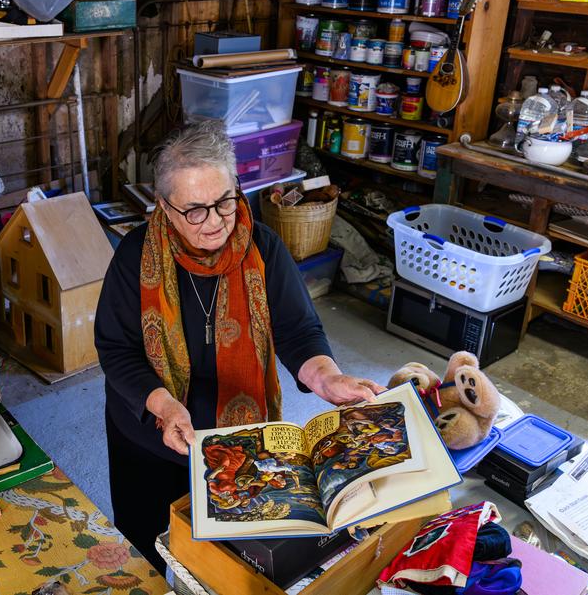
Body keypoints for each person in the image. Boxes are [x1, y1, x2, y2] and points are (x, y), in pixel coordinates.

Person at [95, 120, 385, 569]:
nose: (214, 222)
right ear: (164, 207)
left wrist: (328, 379)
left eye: (224, 202)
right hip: (152, 432)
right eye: (195, 210)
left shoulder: (262, 247)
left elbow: (298, 331)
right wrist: (165, 407)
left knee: (229, 561)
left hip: (241, 440)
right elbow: (117, 350)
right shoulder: (135, 256)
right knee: (148, 549)